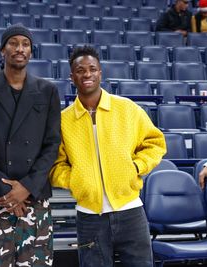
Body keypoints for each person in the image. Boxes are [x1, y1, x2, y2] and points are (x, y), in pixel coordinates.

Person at [49, 46, 166, 267]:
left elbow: (155, 143)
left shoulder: (127, 109)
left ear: (100, 73)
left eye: (92, 69)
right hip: (89, 216)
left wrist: (135, 166)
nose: (87, 74)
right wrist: (76, 179)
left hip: (130, 210)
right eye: (80, 70)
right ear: (71, 76)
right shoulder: (63, 120)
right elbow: (55, 164)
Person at [0, 23, 61, 266]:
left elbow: (52, 145)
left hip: (35, 197)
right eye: (13, 43)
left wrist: (26, 188)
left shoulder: (48, 91)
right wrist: (8, 193)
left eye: (25, 44)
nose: (19, 48)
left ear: (31, 51)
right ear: (2, 50)